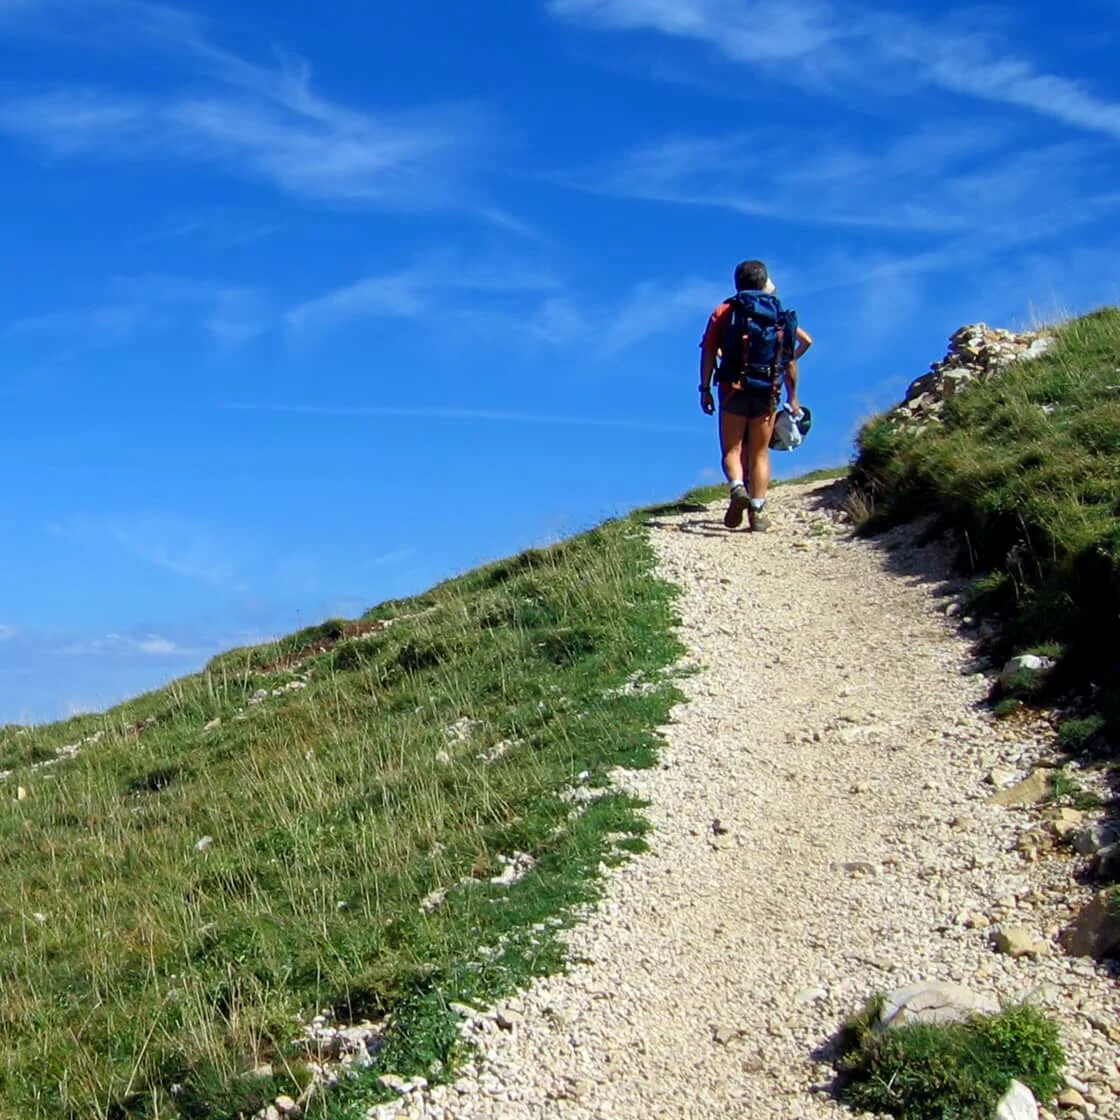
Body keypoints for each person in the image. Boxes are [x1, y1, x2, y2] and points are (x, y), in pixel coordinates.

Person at [698, 261, 811, 532]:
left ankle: (737, 488)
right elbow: (789, 362)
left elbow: (709, 352)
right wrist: (792, 396)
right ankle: (758, 511)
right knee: (759, 452)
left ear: (737, 283)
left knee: (732, 450)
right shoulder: (779, 315)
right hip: (768, 392)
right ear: (764, 282)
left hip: (732, 389)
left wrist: (705, 388)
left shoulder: (724, 311)